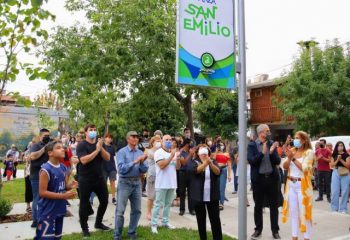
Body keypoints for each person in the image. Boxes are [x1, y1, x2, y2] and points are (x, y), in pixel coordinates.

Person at [34, 141, 77, 240]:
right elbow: (42, 192)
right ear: (50, 153)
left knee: (57, 238)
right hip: (47, 212)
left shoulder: (63, 167)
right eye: (58, 148)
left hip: (59, 210)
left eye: (62, 147)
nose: (62, 149)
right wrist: (63, 196)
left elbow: (62, 187)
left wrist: (70, 186)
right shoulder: (46, 170)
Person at [76, 124, 111, 237]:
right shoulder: (82, 145)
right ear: (86, 132)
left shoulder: (99, 144)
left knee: (105, 201)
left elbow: (107, 158)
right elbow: (84, 160)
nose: (93, 132)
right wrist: (96, 151)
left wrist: (100, 148)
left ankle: (98, 223)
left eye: (95, 130)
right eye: (91, 130)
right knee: (84, 203)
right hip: (85, 179)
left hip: (99, 178)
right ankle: (85, 229)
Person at [247, 124, 281, 240]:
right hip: (258, 180)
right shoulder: (252, 145)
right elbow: (251, 161)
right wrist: (262, 153)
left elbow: (278, 160)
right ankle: (258, 229)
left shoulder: (271, 144)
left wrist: (271, 152)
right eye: (267, 130)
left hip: (271, 179)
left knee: (274, 206)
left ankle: (275, 230)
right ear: (261, 132)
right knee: (258, 206)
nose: (269, 132)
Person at [114, 131, 148, 240]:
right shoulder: (122, 152)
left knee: (137, 210)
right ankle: (117, 235)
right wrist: (134, 162)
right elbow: (121, 169)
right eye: (133, 137)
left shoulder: (140, 152)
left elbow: (144, 169)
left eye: (137, 137)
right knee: (120, 211)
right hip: (125, 182)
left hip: (137, 182)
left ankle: (132, 232)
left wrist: (142, 163)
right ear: (128, 139)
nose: (135, 139)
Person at [281, 131, 315, 240]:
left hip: (303, 186)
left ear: (304, 140)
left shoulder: (309, 152)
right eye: (294, 138)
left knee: (305, 213)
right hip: (291, 184)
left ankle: (306, 237)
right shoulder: (292, 151)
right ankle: (294, 237)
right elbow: (285, 166)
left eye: (297, 138)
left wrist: (293, 158)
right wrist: (290, 157)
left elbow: (305, 169)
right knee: (294, 213)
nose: (295, 140)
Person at [189, 144, 222, 240]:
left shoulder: (213, 161)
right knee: (201, 220)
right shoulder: (194, 162)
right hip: (199, 197)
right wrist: (205, 164)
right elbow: (196, 171)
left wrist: (210, 163)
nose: (203, 154)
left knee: (215, 219)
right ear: (198, 153)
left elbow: (218, 172)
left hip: (212, 196)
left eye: (205, 152)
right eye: (201, 152)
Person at [151, 135, 181, 234]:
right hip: (161, 183)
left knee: (168, 204)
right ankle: (154, 224)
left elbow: (177, 167)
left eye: (170, 140)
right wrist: (172, 156)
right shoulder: (158, 153)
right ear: (162, 142)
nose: (169, 141)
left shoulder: (173, 153)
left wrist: (178, 158)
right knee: (158, 204)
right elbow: (162, 165)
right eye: (166, 140)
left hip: (172, 183)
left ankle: (165, 222)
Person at [29, 128, 51, 228]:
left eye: (48, 136)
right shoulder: (35, 145)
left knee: (47, 198)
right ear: (40, 136)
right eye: (45, 136)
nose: (47, 137)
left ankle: (44, 218)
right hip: (36, 176)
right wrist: (44, 148)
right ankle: (35, 220)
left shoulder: (50, 146)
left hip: (48, 176)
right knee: (37, 198)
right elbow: (33, 157)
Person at [330, 141, 350, 213]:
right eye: (339, 145)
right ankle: (334, 208)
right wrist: (337, 159)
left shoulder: (346, 155)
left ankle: (343, 208)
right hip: (335, 172)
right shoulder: (334, 154)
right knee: (335, 191)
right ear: (336, 147)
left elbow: (348, 165)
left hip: (345, 173)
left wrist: (341, 159)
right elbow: (331, 165)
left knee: (345, 191)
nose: (340, 147)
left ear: (343, 146)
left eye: (341, 145)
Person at [145, 135, 162, 220]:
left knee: (159, 196)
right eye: (157, 141)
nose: (159, 142)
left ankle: (157, 212)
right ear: (152, 142)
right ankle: (148, 212)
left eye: (160, 140)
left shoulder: (161, 151)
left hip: (160, 176)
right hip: (152, 175)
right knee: (151, 196)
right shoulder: (149, 151)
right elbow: (156, 157)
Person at [178, 138, 196, 216]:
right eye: (190, 144)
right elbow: (184, 163)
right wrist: (190, 155)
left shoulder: (191, 152)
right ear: (186, 144)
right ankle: (182, 209)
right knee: (182, 192)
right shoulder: (181, 152)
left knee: (191, 192)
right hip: (183, 174)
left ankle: (191, 209)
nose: (191, 145)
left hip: (191, 174)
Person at [215, 142, 232, 210]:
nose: (221, 146)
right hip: (216, 170)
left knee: (222, 187)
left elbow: (229, 164)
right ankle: (216, 202)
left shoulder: (226, 154)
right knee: (216, 187)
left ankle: (221, 203)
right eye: (219, 145)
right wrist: (216, 152)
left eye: (222, 145)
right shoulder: (214, 154)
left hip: (223, 170)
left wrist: (229, 175)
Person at [102, 133, 117, 205]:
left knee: (113, 182)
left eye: (111, 138)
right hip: (103, 167)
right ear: (105, 138)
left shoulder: (112, 147)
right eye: (108, 137)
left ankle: (113, 198)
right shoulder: (101, 146)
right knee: (103, 184)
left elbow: (112, 156)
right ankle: (104, 197)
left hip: (111, 167)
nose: (110, 139)